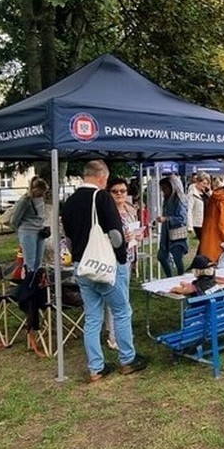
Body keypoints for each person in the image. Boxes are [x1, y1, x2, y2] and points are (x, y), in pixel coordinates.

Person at [61, 160, 147, 382]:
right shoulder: (101, 197)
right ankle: (128, 359)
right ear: (102, 177)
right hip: (106, 265)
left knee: (92, 316)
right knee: (121, 311)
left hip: (82, 265)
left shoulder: (69, 202)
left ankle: (95, 368)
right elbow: (116, 235)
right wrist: (120, 261)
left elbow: (68, 237)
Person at [105, 176, 142, 350]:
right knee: (118, 299)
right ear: (108, 192)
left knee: (122, 296)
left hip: (129, 257)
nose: (119, 194)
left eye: (123, 191)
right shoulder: (106, 211)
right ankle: (114, 337)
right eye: (115, 191)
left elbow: (134, 230)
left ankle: (115, 330)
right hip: (113, 258)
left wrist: (138, 235)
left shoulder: (129, 209)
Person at [10, 176, 50, 273]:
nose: (42, 194)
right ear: (35, 190)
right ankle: (29, 282)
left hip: (40, 231)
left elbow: (43, 214)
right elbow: (14, 219)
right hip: (28, 232)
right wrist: (20, 229)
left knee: (39, 261)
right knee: (30, 261)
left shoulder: (41, 199)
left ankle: (36, 281)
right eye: (41, 192)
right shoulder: (25, 201)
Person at [157, 175, 189, 277]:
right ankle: (169, 277)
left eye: (165, 188)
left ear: (172, 187)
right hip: (166, 233)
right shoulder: (166, 200)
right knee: (161, 256)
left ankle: (180, 278)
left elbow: (182, 219)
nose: (163, 191)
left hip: (177, 234)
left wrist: (167, 219)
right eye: (162, 189)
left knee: (177, 259)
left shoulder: (179, 200)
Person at [186, 171, 211, 241]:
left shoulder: (206, 193)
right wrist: (189, 226)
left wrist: (209, 191)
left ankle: (201, 252)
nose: (205, 185)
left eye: (207, 184)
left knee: (205, 243)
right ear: (198, 182)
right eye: (204, 183)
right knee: (204, 241)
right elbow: (189, 210)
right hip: (198, 223)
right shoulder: (192, 194)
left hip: (207, 221)